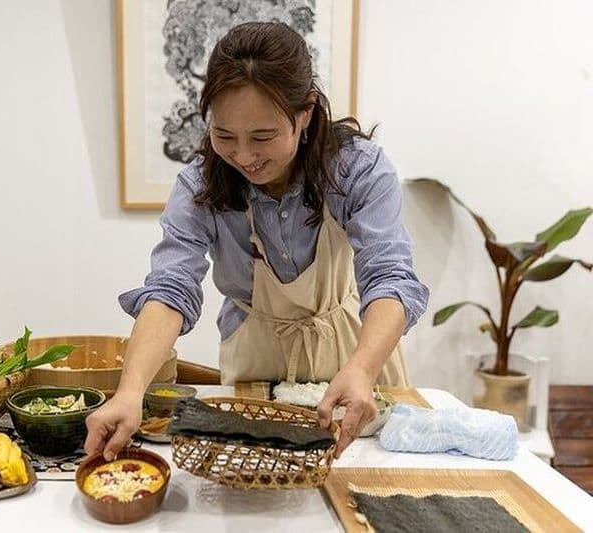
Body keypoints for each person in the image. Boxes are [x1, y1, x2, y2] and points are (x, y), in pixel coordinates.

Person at [85, 21, 429, 461]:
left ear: (304, 114)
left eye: (262, 137)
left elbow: (389, 275)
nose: (244, 156)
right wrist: (130, 393)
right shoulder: (198, 185)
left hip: (355, 356)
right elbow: (171, 289)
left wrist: (362, 369)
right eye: (224, 136)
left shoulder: (356, 169)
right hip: (254, 359)